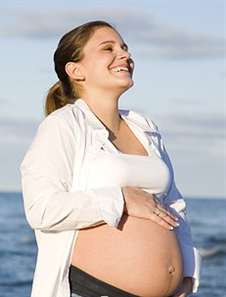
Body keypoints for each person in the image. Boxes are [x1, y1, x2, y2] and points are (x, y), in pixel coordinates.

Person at [20, 20, 201, 297]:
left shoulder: (145, 127)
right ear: (76, 70)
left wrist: (187, 276)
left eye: (125, 48)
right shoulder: (63, 125)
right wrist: (121, 198)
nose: (125, 55)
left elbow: (175, 207)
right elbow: (42, 209)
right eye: (108, 48)